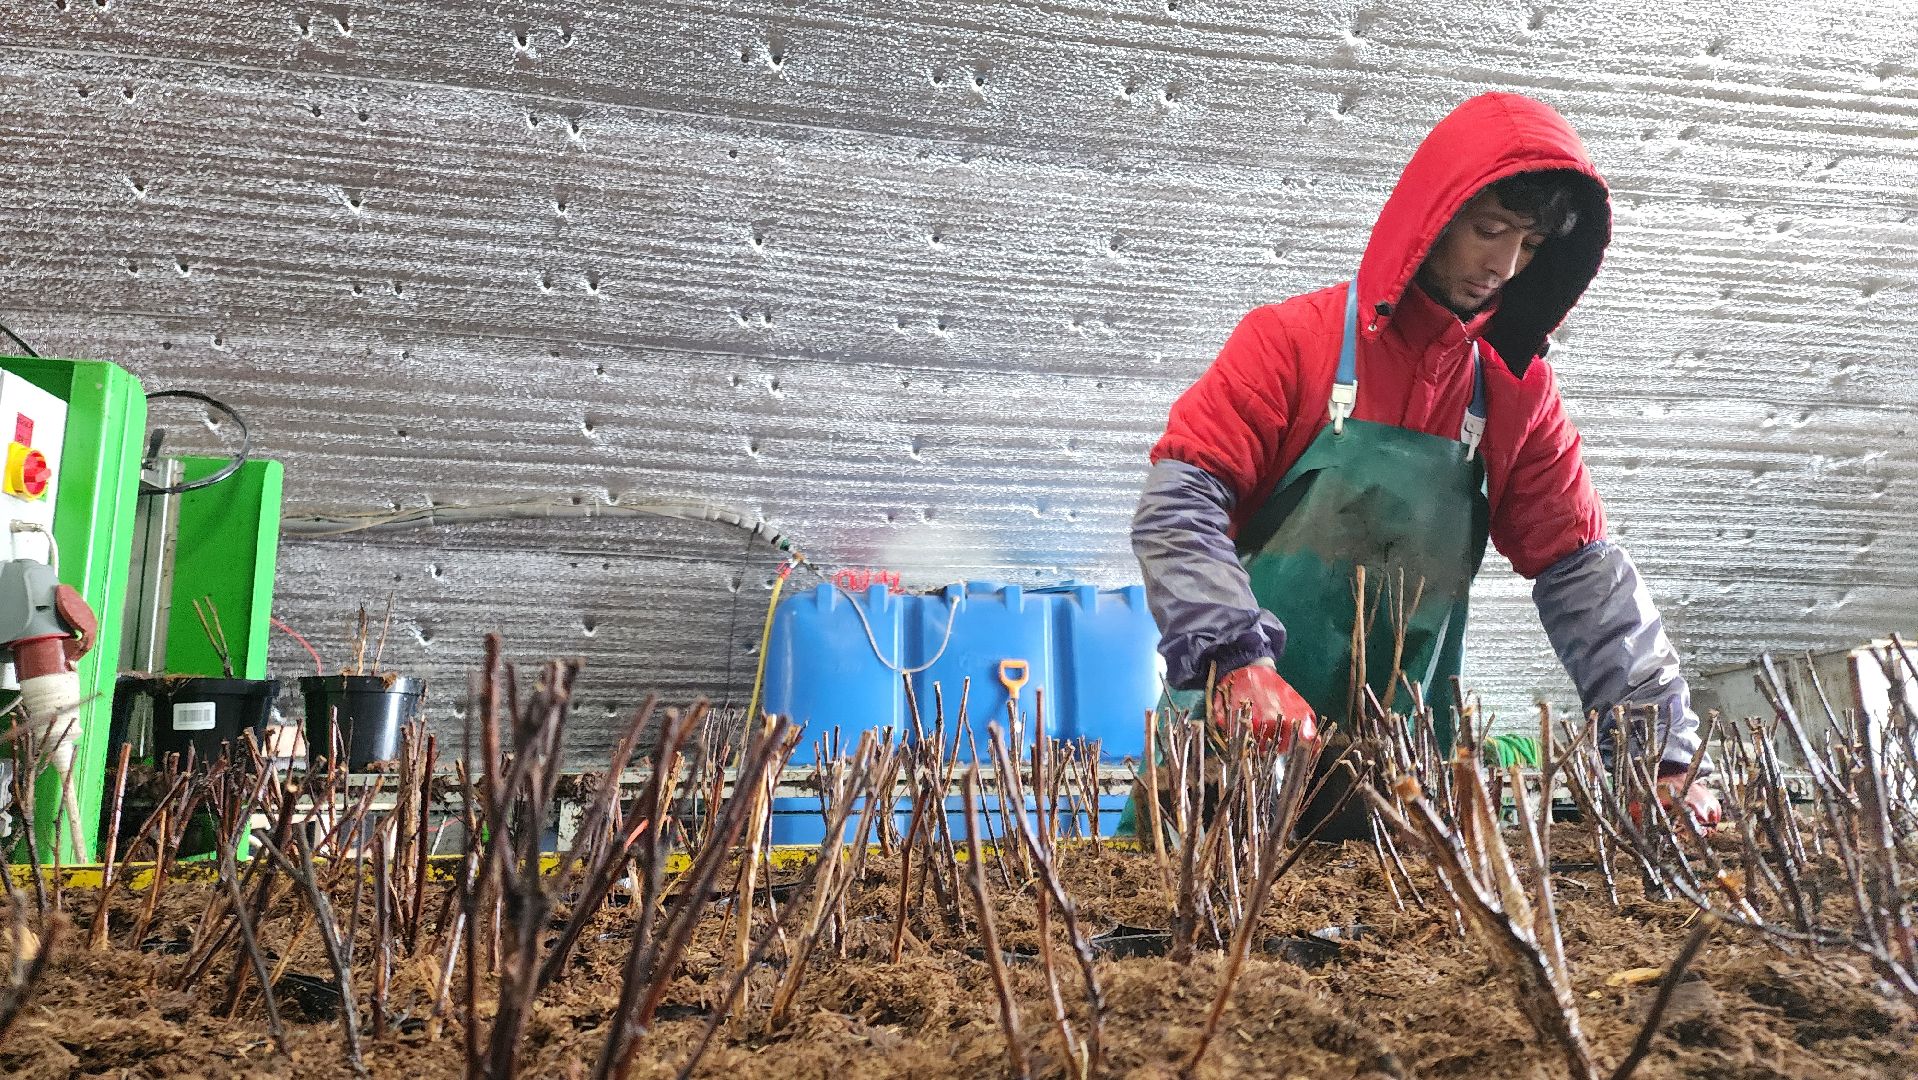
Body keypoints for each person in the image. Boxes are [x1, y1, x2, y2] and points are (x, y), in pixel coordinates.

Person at [1131, 92, 1719, 829]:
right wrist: (1233, 660)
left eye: (1530, 246)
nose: (1503, 265)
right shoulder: (1290, 343)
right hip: (1236, 754)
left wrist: (1659, 757)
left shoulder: (1516, 396)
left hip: (1397, 776)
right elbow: (1178, 508)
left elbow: (1585, 576)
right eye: (1489, 230)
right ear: (1431, 218)